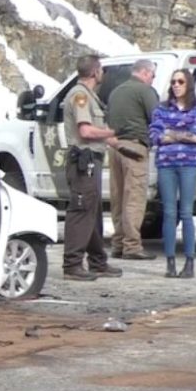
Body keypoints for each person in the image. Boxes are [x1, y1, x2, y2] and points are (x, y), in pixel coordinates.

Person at [62, 55, 125, 281]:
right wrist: (112, 132)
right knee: (81, 210)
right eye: (101, 71)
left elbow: (97, 133)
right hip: (83, 161)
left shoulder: (90, 97)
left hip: (91, 160)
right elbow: (86, 132)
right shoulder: (80, 96)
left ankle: (98, 261)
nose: (103, 75)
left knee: (93, 211)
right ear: (96, 72)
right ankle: (72, 264)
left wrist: (125, 144)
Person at [148, 68, 196, 279]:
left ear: (188, 84)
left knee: (186, 213)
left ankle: (190, 262)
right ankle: (170, 262)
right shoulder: (161, 108)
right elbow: (155, 135)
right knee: (170, 213)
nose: (176, 85)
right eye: (173, 81)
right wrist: (181, 133)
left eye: (180, 81)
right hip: (166, 164)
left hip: (189, 164)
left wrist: (171, 133)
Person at [107, 59, 159, 260]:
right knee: (134, 198)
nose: (152, 80)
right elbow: (156, 118)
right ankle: (132, 246)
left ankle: (118, 243)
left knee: (118, 197)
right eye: (152, 76)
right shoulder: (145, 91)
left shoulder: (116, 92)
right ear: (145, 72)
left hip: (115, 148)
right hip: (135, 147)